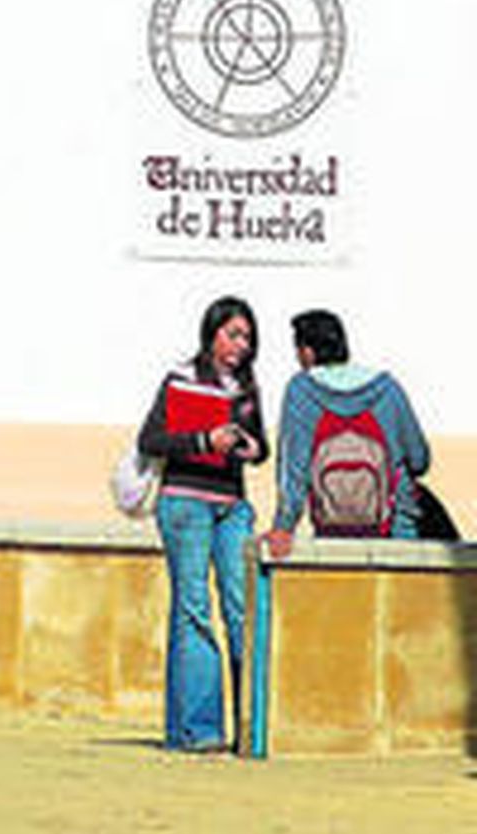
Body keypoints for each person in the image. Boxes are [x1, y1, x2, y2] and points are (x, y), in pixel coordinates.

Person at [137, 296, 268, 753]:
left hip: (232, 506)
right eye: (233, 334)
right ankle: (198, 730)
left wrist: (249, 447)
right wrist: (203, 439)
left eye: (247, 337)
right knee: (194, 611)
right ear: (211, 334)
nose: (241, 345)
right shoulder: (180, 378)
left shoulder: (247, 389)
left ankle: (249, 730)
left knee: (240, 611)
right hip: (185, 505)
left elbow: (263, 447)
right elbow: (150, 439)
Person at [263, 310, 431, 559]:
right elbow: (419, 460)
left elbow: (293, 473)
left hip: (333, 528)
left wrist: (283, 527)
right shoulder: (388, 389)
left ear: (307, 352)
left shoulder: (300, 390)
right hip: (395, 528)